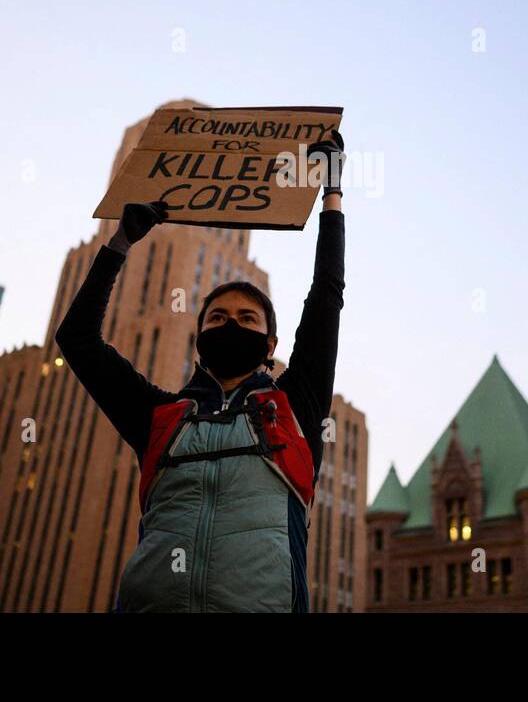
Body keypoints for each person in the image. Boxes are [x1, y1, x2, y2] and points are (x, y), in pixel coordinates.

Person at [54, 132, 345, 612]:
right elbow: (78, 341)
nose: (232, 324)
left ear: (270, 345)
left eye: (247, 319)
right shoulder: (160, 417)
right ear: (200, 339)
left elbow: (326, 295)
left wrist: (332, 193)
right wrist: (121, 242)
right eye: (218, 318)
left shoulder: (296, 407)